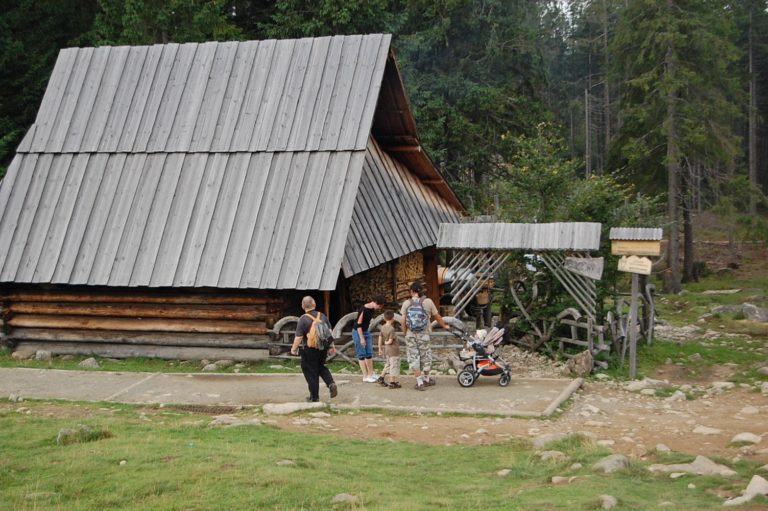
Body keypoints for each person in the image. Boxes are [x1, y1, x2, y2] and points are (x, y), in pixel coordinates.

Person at [401, 282, 448, 391]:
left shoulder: (406, 303)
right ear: (421, 291)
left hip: (411, 335)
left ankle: (419, 382)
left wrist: (405, 333)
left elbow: (403, 321)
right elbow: (437, 316)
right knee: (426, 356)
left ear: (412, 291)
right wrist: (444, 326)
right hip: (424, 335)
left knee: (414, 358)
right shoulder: (428, 302)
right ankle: (426, 379)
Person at [290, 296, 338, 402]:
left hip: (309, 350)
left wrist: (293, 349)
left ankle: (314, 398)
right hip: (323, 348)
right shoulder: (322, 316)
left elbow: (299, 337)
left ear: (303, 306)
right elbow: (329, 333)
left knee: (310, 372)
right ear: (314, 305)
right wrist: (331, 346)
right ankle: (331, 383)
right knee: (321, 367)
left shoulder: (303, 319)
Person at [353, 295, 386, 382]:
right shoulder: (363, 310)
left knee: (369, 353)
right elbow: (358, 325)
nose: (379, 308)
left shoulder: (372, 309)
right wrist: (361, 338)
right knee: (361, 354)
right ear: (376, 303)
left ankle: (370, 374)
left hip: (366, 331)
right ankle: (365, 376)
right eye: (380, 306)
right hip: (358, 332)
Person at [376, 310, 401, 389]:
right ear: (393, 318)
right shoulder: (391, 329)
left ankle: (381, 378)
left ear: (384, 318)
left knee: (388, 364)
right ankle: (392, 383)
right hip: (393, 351)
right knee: (393, 365)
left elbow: (380, 338)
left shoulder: (383, 327)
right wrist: (386, 342)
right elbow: (390, 341)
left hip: (387, 350)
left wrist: (380, 348)